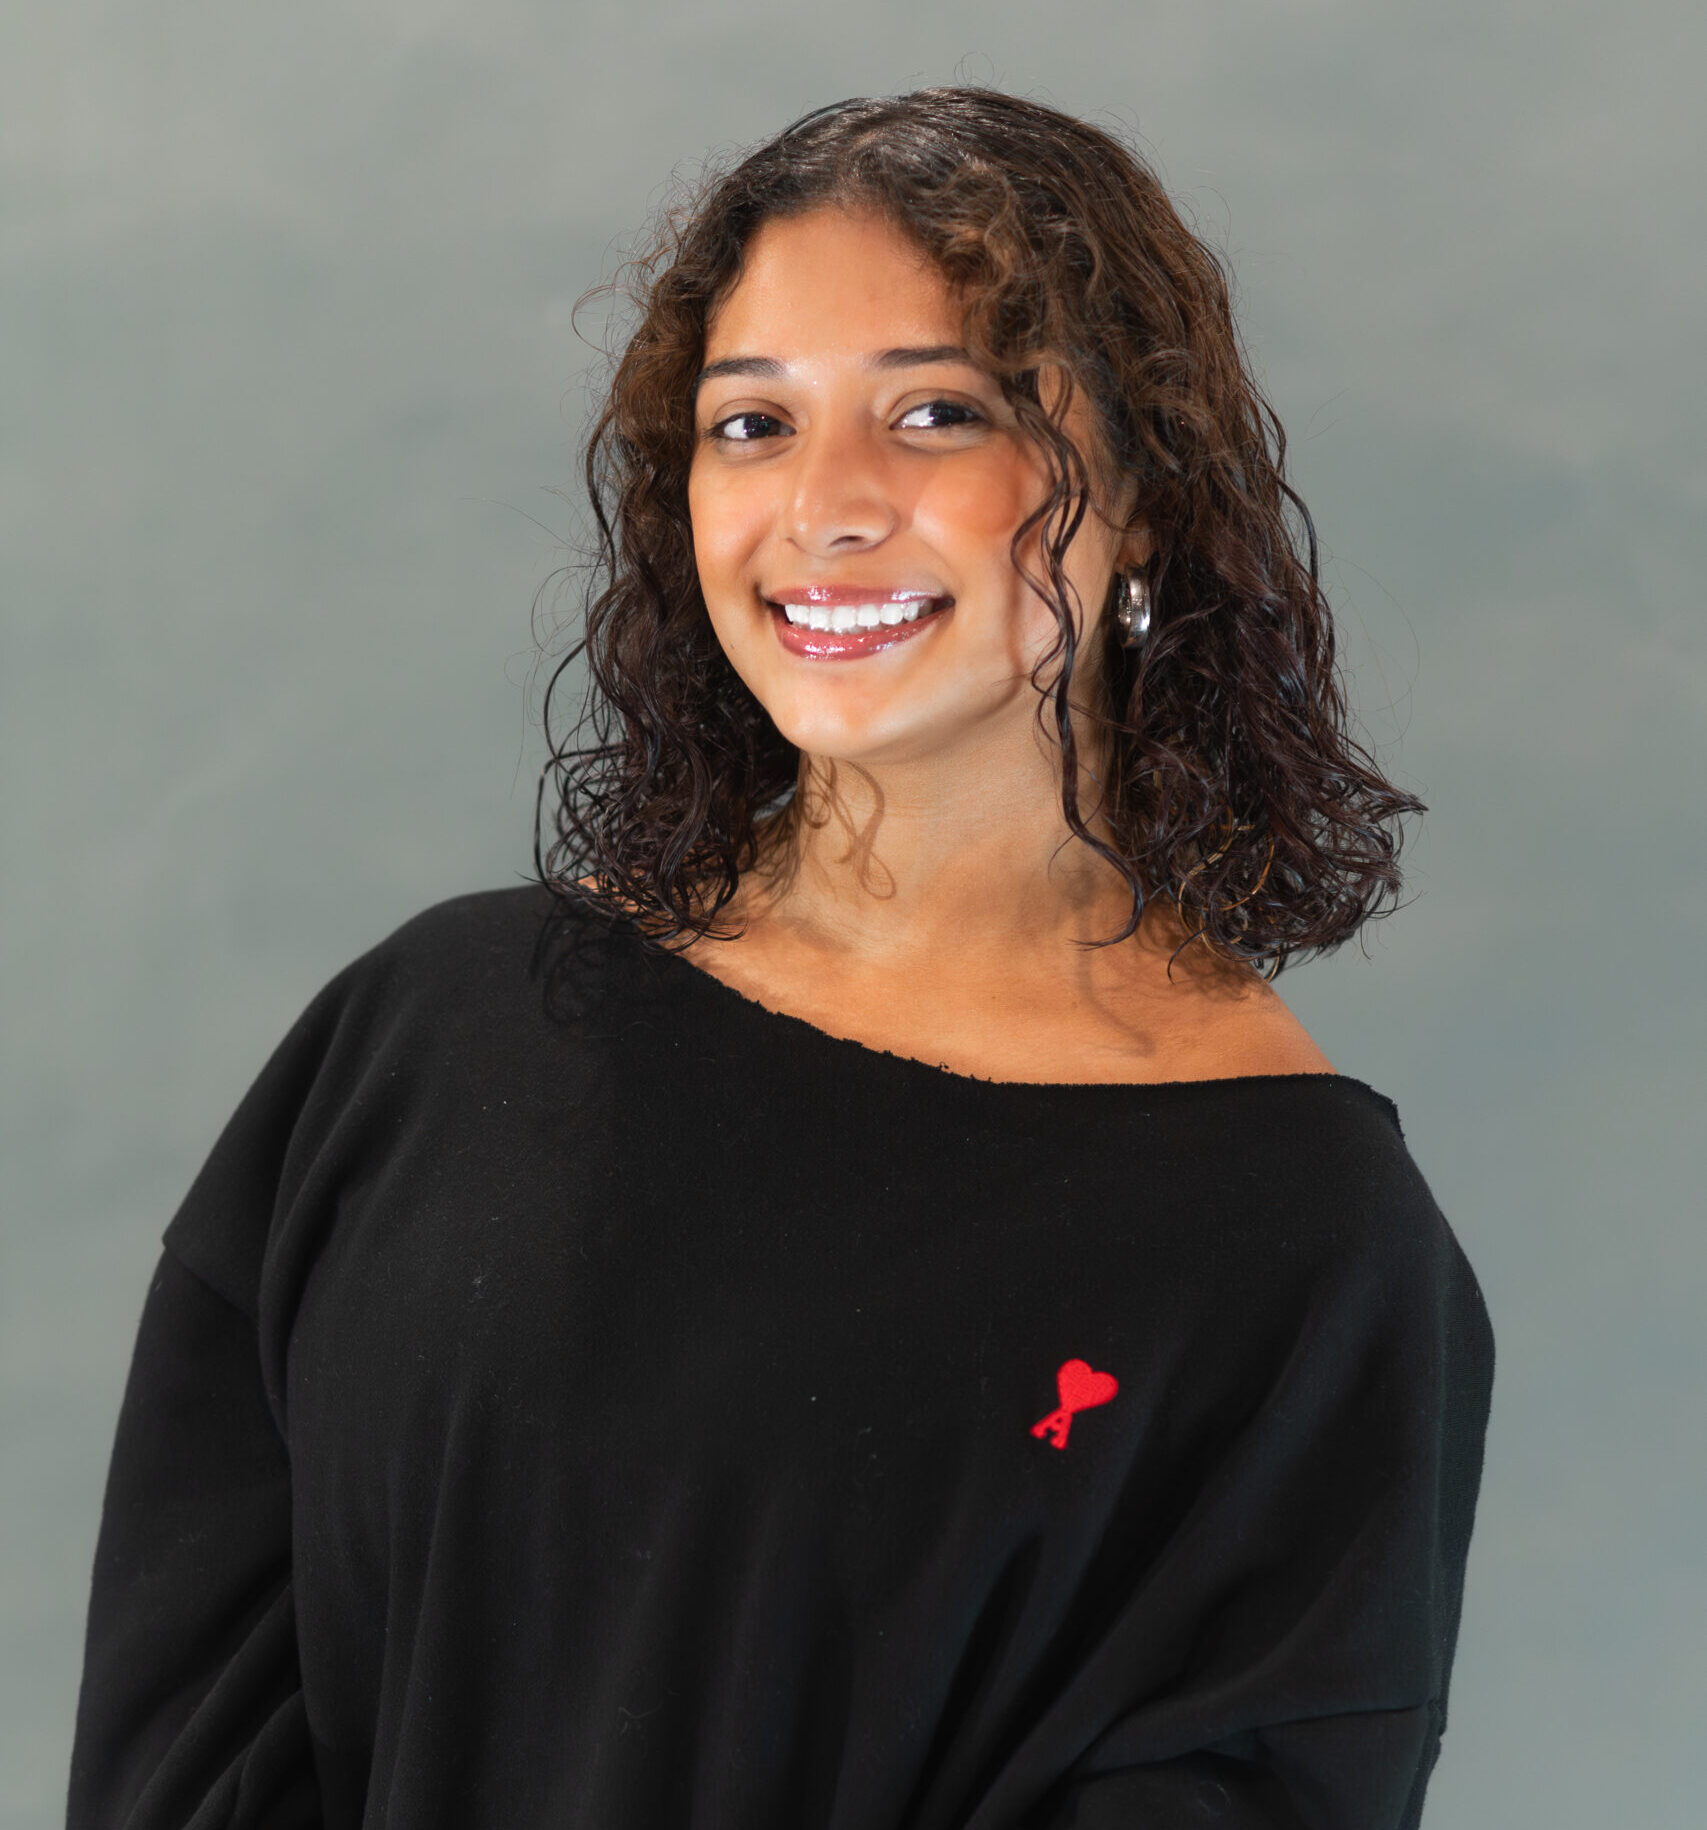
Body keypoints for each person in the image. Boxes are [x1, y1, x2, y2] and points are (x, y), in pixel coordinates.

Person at [66, 88, 1494, 1830]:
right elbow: (183, 1723)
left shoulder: (1301, 1243)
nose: (824, 505)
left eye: (938, 411)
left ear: (1142, 493)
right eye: (751, 424)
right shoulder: (436, 1034)